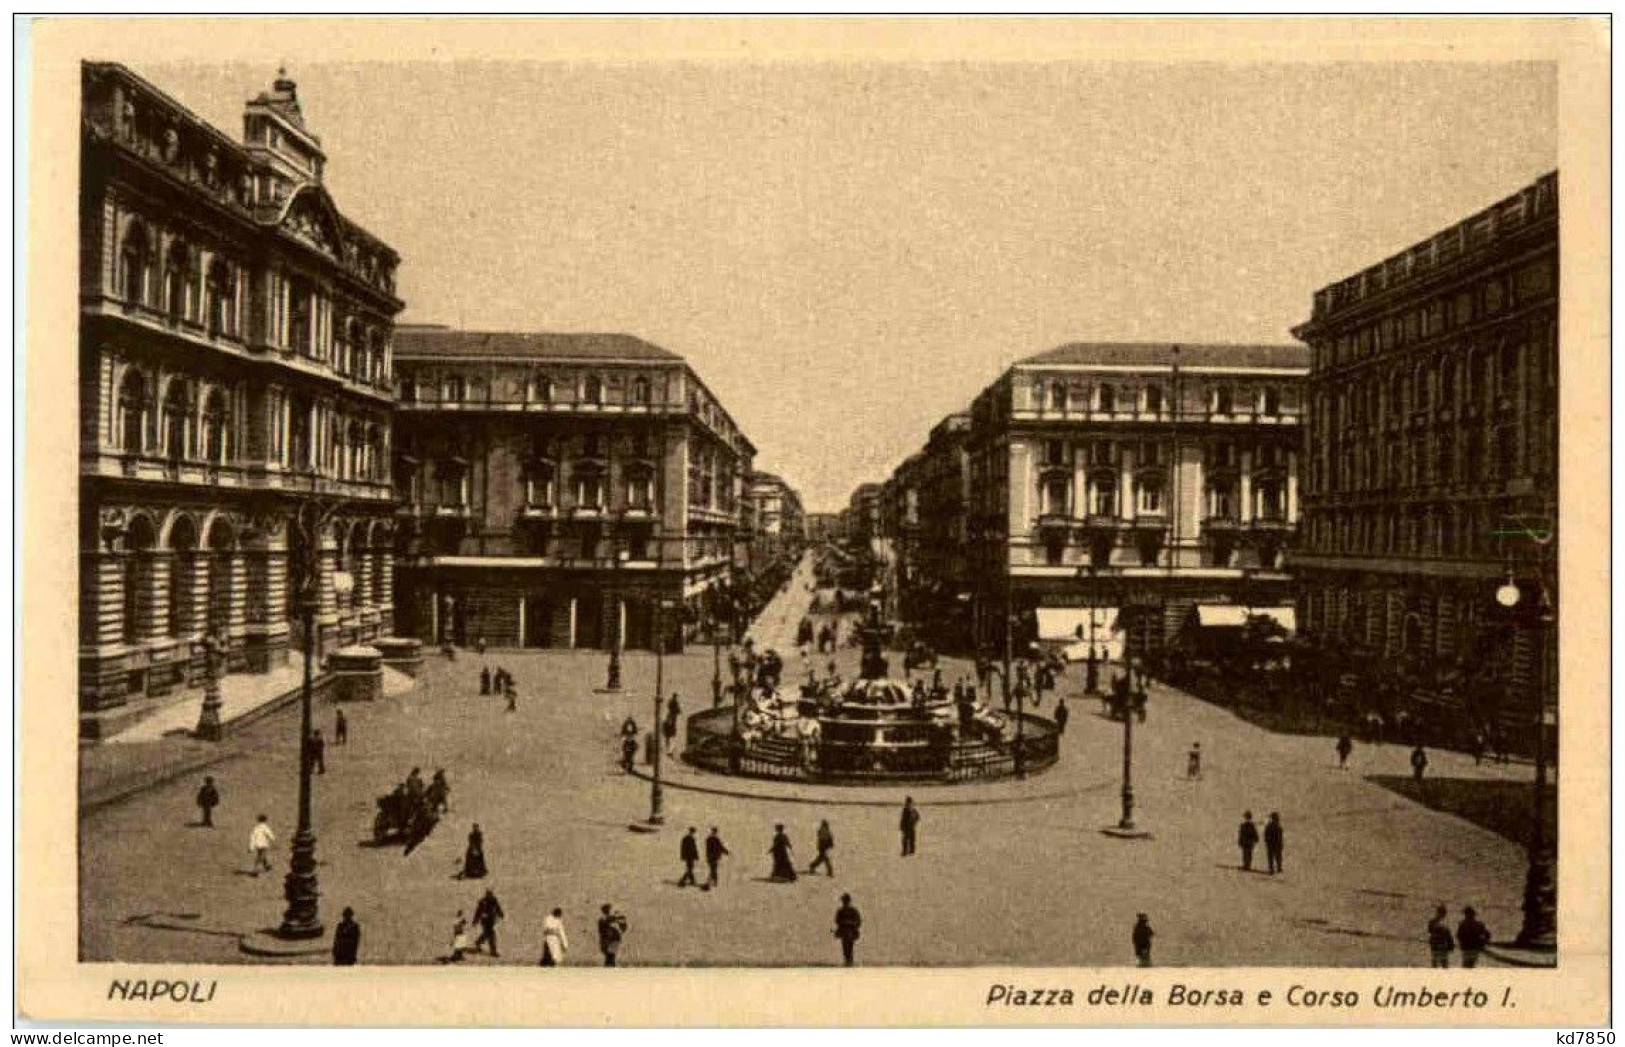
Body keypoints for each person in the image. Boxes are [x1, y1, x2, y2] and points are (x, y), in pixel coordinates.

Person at [473, 888, 504, 957]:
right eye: (489, 894)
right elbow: (478, 912)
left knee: (486, 934)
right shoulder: (482, 902)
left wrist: (500, 914)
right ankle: (493, 951)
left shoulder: (494, 900)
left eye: (491, 894)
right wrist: (475, 921)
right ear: (486, 894)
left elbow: (497, 907)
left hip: (492, 920)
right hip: (485, 921)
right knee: (491, 935)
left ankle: (478, 942)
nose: (490, 895)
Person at [833, 893, 862, 967]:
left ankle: (849, 962)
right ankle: (847, 961)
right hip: (844, 932)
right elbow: (837, 921)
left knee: (849, 947)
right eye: (844, 901)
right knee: (845, 948)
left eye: (845, 901)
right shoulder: (840, 911)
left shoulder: (853, 911)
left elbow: (858, 921)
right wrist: (844, 923)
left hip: (851, 932)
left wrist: (850, 923)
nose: (844, 902)